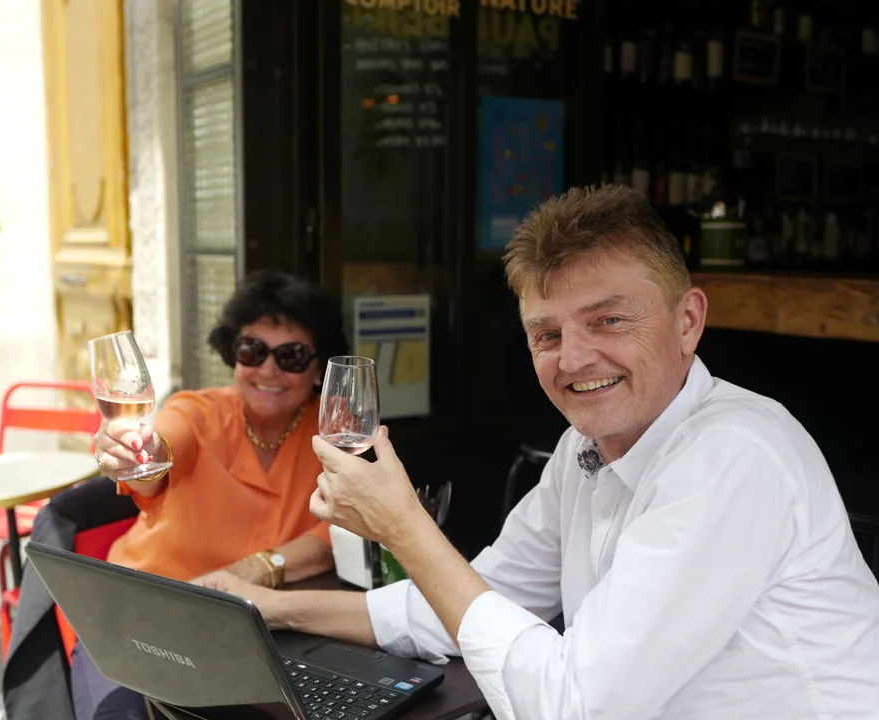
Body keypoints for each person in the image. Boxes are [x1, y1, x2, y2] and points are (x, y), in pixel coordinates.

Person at [202, 185, 879, 720]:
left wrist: (402, 525)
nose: (574, 359)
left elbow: (571, 706)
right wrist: (262, 608)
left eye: (609, 320)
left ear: (688, 321)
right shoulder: (583, 448)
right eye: (547, 335)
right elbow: (460, 604)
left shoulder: (732, 454)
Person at [74, 269, 349, 720]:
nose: (268, 369)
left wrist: (255, 569)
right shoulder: (195, 411)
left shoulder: (333, 432)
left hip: (246, 634)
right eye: (252, 350)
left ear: (318, 368)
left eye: (292, 356)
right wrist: (133, 452)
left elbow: (338, 533)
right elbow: (158, 455)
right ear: (233, 355)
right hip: (140, 618)